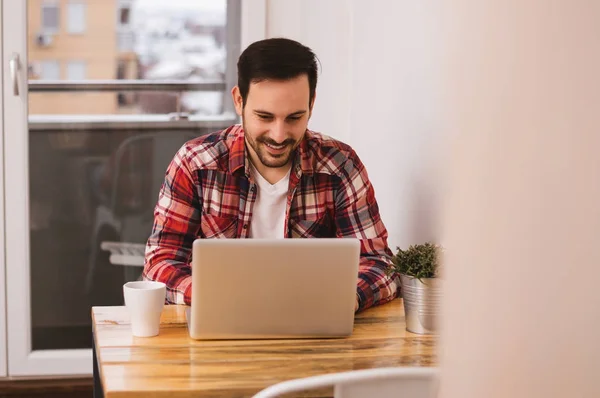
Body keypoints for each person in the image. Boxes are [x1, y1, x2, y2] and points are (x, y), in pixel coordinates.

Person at [143, 38, 399, 312]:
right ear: (239, 101)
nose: (279, 135)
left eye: (294, 118)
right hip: (221, 322)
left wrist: (347, 297)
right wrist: (214, 297)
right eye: (264, 117)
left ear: (312, 104)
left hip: (313, 330)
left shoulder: (340, 166)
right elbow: (160, 263)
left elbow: (379, 263)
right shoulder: (195, 164)